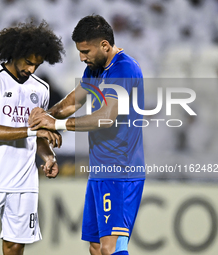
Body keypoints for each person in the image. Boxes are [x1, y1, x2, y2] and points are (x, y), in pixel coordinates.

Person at [28, 15, 145, 255]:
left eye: (85, 51)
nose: (82, 57)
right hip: (100, 169)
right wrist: (46, 118)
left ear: (104, 45)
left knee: (110, 249)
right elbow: (72, 103)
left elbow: (107, 116)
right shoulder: (95, 68)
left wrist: (57, 125)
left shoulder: (123, 68)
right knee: (95, 246)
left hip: (120, 170)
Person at [0, 20, 65, 255]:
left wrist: (49, 157)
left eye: (37, 65)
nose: (32, 70)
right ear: (15, 53)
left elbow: (38, 136)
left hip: (24, 182)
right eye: (29, 62)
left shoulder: (41, 89)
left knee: (14, 248)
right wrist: (33, 131)